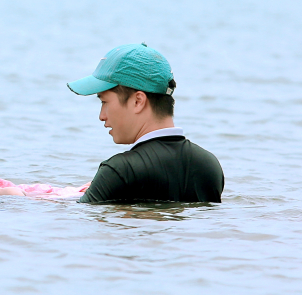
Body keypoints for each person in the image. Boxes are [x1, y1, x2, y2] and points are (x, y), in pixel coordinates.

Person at [68, 43, 224, 204]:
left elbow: (79, 221)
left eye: (104, 102)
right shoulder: (209, 166)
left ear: (138, 101)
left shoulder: (120, 170)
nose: (102, 116)